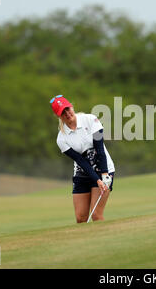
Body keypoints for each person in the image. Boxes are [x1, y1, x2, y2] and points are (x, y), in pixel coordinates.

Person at [50, 95, 115, 223]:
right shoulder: (61, 139)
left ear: (71, 106)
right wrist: (96, 180)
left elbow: (100, 150)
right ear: (59, 116)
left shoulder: (91, 120)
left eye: (67, 109)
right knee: (80, 218)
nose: (67, 113)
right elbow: (80, 161)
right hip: (82, 173)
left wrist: (104, 176)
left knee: (96, 215)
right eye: (63, 112)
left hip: (104, 169)